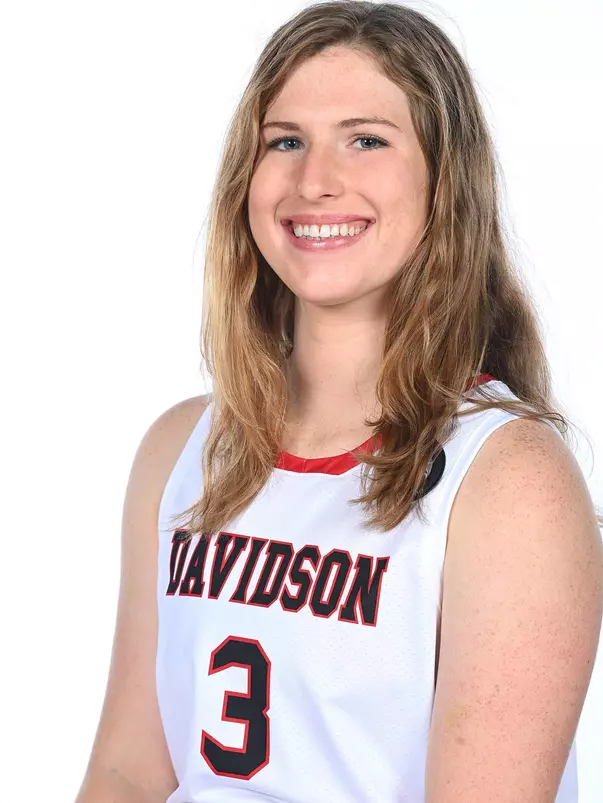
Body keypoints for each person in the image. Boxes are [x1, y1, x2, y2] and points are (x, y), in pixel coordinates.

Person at [75, 2, 603, 802]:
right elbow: (125, 770)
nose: (313, 181)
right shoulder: (180, 449)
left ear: (443, 179)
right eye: (284, 141)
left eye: (365, 139)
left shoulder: (505, 479)